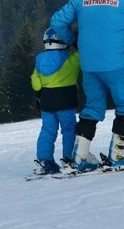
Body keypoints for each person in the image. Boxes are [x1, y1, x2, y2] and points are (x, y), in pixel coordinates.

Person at [50, 0, 124, 172]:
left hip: (89, 65)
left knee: (92, 107)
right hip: (116, 64)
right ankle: (119, 153)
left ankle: (80, 155)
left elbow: (56, 21)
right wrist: (117, 45)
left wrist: (73, 40)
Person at [30, 27, 80, 175]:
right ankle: (69, 159)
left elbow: (35, 81)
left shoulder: (39, 60)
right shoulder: (72, 58)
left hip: (46, 102)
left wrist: (39, 94)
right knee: (69, 129)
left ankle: (44, 161)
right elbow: (83, 54)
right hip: (65, 100)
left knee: (47, 130)